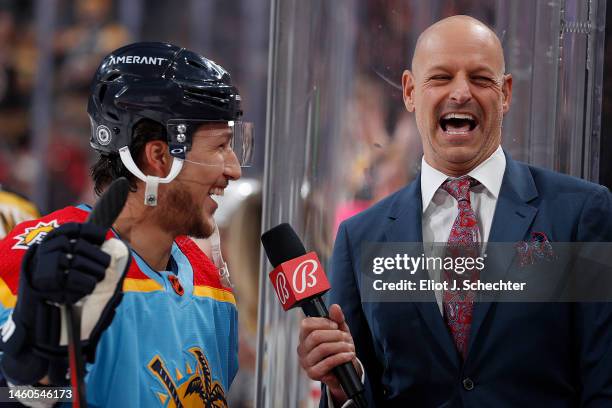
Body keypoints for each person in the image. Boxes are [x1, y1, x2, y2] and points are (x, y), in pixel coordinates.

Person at [297, 15, 612, 407]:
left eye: (481, 79)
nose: (461, 92)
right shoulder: (361, 237)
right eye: (441, 77)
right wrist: (343, 388)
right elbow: (364, 391)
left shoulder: (579, 214)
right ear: (410, 91)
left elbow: (604, 382)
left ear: (506, 93)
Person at [0, 41, 253, 407]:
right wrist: (35, 379)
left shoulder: (211, 285)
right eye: (220, 147)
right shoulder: (42, 263)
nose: (233, 169)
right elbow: (15, 392)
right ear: (159, 157)